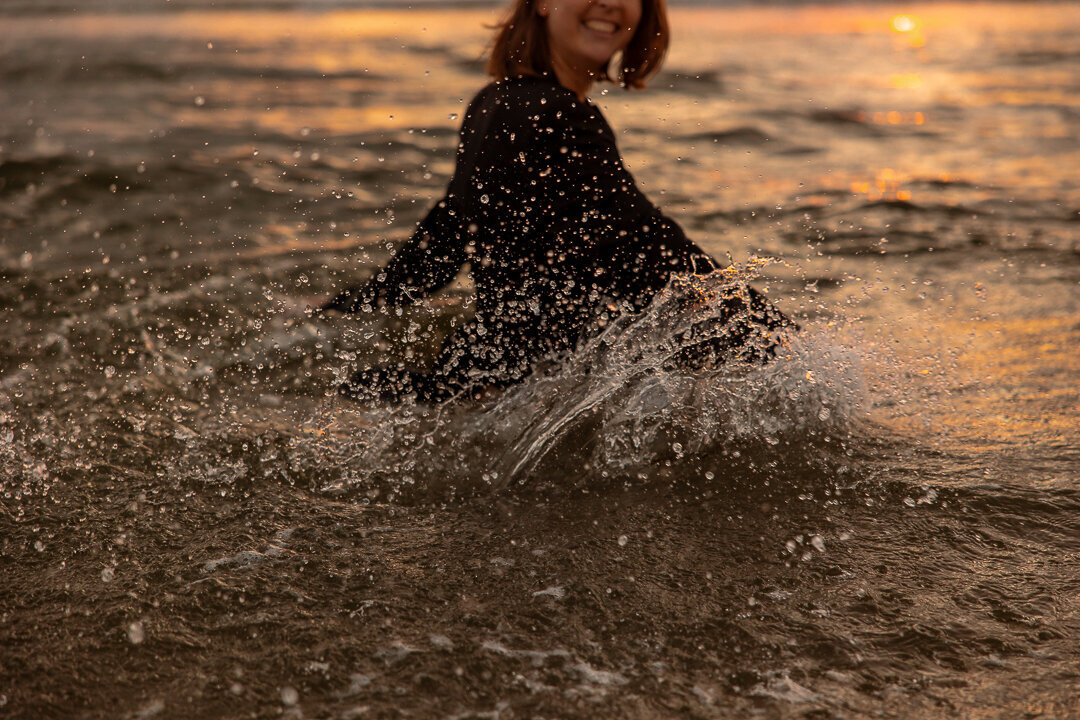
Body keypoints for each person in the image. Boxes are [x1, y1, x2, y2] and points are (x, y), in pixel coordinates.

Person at [317, 0, 792, 403]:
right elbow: (649, 247)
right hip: (520, 391)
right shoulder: (559, 115)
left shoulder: (495, 103)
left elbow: (442, 243)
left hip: (478, 369)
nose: (610, 2)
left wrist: (337, 312)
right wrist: (777, 340)